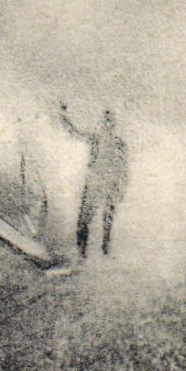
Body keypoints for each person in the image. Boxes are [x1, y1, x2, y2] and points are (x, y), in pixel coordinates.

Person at [59, 103, 129, 260]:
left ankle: (98, 251)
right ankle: (84, 254)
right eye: (105, 121)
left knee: (101, 220)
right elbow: (75, 133)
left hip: (104, 183)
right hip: (99, 183)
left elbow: (124, 169)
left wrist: (121, 188)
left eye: (109, 122)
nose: (107, 125)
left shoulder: (115, 143)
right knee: (89, 220)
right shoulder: (100, 140)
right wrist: (64, 119)